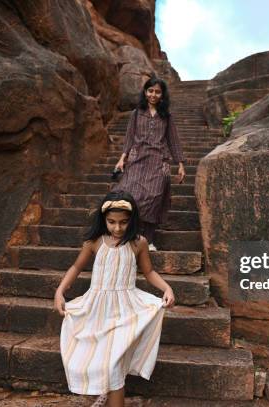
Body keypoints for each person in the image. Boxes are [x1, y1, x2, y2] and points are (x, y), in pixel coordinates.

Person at [54, 191, 176, 407]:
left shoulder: (139, 243)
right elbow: (76, 267)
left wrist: (167, 288)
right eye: (111, 222)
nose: (117, 228)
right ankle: (106, 392)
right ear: (104, 220)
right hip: (97, 309)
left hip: (126, 309)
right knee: (101, 359)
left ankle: (110, 394)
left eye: (123, 222)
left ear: (132, 220)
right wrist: (60, 291)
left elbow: (149, 272)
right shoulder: (94, 242)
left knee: (114, 363)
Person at [112, 76, 186, 252]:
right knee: (132, 195)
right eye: (150, 91)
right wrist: (122, 158)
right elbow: (129, 137)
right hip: (137, 159)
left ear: (162, 95)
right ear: (145, 92)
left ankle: (149, 240)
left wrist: (181, 164)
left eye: (157, 92)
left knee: (154, 198)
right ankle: (133, 234)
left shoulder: (166, 116)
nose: (153, 94)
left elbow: (173, 140)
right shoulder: (136, 113)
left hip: (159, 161)